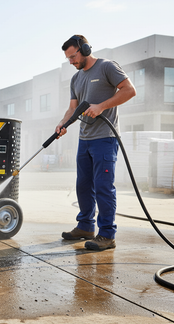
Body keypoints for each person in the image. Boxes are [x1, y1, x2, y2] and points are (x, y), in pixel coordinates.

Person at [57, 35, 136, 250]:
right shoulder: (76, 79)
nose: (71, 62)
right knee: (83, 185)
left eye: (73, 56)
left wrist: (101, 106)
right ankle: (85, 227)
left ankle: (107, 235)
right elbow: (73, 108)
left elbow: (130, 90)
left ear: (84, 49)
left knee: (103, 186)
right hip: (85, 140)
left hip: (105, 139)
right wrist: (62, 123)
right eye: (68, 59)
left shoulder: (106, 67)